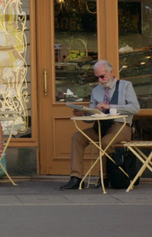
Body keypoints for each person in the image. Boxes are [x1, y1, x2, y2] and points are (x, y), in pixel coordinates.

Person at [60, 60, 140, 190]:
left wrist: (110, 106)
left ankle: (104, 176)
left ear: (111, 72)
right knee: (77, 137)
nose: (100, 80)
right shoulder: (96, 91)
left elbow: (135, 108)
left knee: (105, 142)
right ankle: (76, 178)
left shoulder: (125, 86)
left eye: (102, 76)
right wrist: (83, 114)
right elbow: (92, 117)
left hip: (121, 126)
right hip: (100, 126)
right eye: (97, 77)